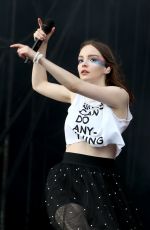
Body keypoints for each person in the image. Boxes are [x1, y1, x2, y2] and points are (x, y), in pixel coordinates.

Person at [10, 18, 143, 230]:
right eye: (80, 59)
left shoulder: (119, 96)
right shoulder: (76, 96)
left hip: (100, 178)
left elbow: (74, 83)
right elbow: (40, 84)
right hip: (66, 173)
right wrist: (43, 45)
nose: (83, 64)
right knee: (72, 221)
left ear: (107, 68)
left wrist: (37, 57)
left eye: (92, 59)